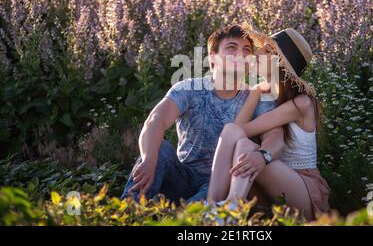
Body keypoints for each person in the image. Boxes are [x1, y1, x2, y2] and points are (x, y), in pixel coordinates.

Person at [120, 25, 284, 204]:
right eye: (231, 48)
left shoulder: (256, 97)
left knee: (199, 207)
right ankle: (127, 213)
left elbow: (275, 137)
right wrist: (148, 159)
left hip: (222, 183)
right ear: (213, 57)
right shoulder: (190, 89)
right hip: (182, 177)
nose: (241, 54)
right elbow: (156, 120)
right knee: (161, 149)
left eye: (246, 50)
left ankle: (185, 218)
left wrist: (262, 155)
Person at [207, 28, 330, 221]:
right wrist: (256, 91)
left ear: (280, 64)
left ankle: (229, 208)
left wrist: (255, 92)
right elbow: (236, 130)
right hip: (275, 182)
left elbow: (245, 129)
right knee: (241, 142)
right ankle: (214, 208)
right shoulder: (265, 93)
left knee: (242, 142)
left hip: (303, 188)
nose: (256, 53)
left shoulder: (301, 103)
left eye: (267, 51)